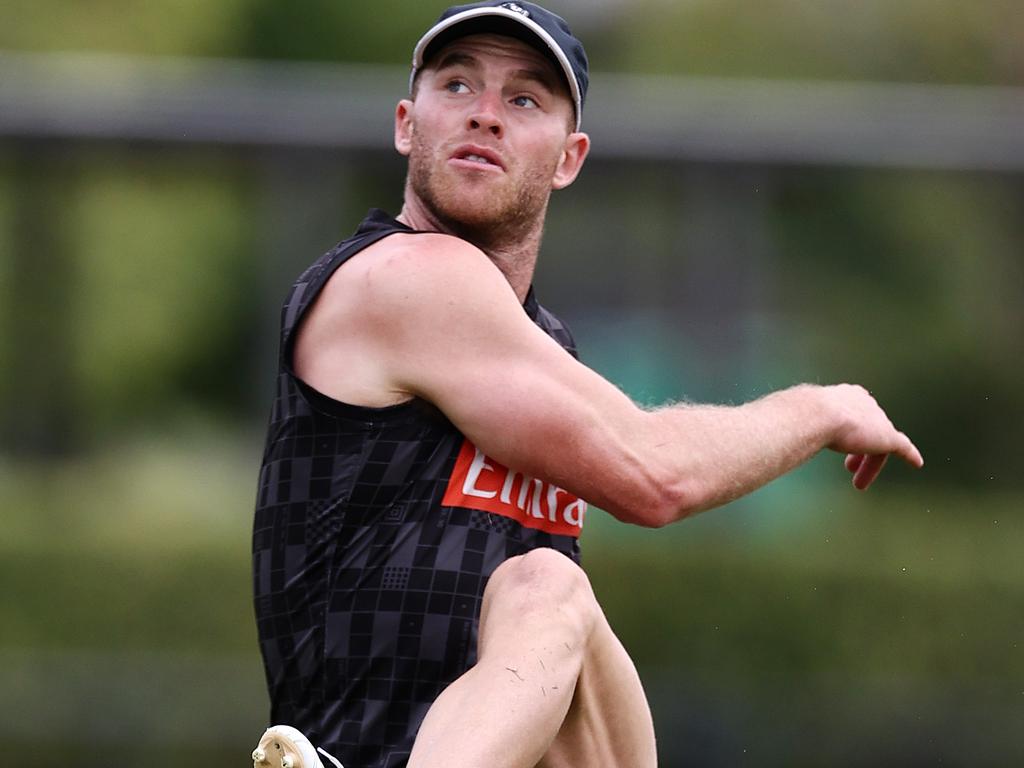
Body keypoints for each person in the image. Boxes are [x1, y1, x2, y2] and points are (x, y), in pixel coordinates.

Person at [250, 2, 924, 767]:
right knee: (550, 588)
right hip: (359, 751)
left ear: (570, 158)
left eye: (524, 98)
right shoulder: (404, 276)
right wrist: (821, 407)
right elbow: (656, 475)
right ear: (407, 123)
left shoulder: (546, 347)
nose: (486, 116)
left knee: (554, 606)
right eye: (458, 85)